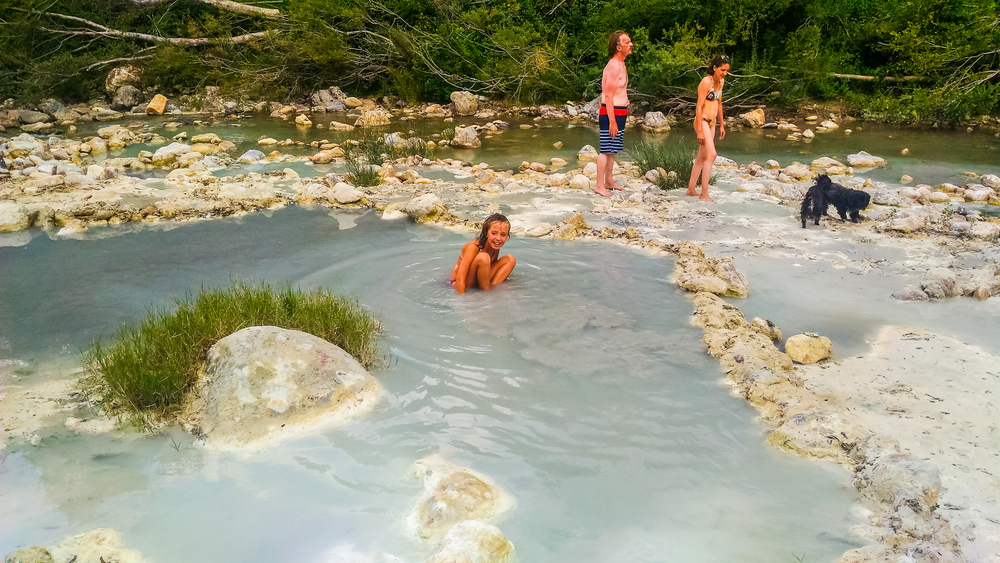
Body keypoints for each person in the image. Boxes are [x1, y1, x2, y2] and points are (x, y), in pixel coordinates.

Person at [687, 54, 730, 202]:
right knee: (712, 154)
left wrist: (722, 124)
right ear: (715, 68)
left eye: (726, 71)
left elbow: (719, 104)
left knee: (703, 156)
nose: (724, 73)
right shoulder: (706, 82)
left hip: (712, 122)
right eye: (722, 70)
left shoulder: (721, 82)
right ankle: (704, 193)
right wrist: (699, 129)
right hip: (702, 121)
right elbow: (699, 107)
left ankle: (691, 189)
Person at [595, 30, 633, 197]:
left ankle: (609, 181)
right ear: (619, 47)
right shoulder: (613, 66)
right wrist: (612, 121)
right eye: (627, 42)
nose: (630, 45)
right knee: (605, 149)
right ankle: (598, 184)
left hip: (620, 111)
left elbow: (619, 91)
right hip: (610, 112)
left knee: (612, 148)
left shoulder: (622, 64)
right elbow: (608, 95)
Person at [451, 213, 516, 293]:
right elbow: (460, 278)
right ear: (486, 233)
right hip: (459, 283)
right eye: (494, 233)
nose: (498, 238)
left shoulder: (495, 247)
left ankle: (492, 291)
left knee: (510, 259)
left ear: (507, 236)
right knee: (484, 257)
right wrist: (462, 302)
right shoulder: (473, 247)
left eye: (503, 235)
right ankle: (487, 294)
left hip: (479, 280)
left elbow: (488, 269)